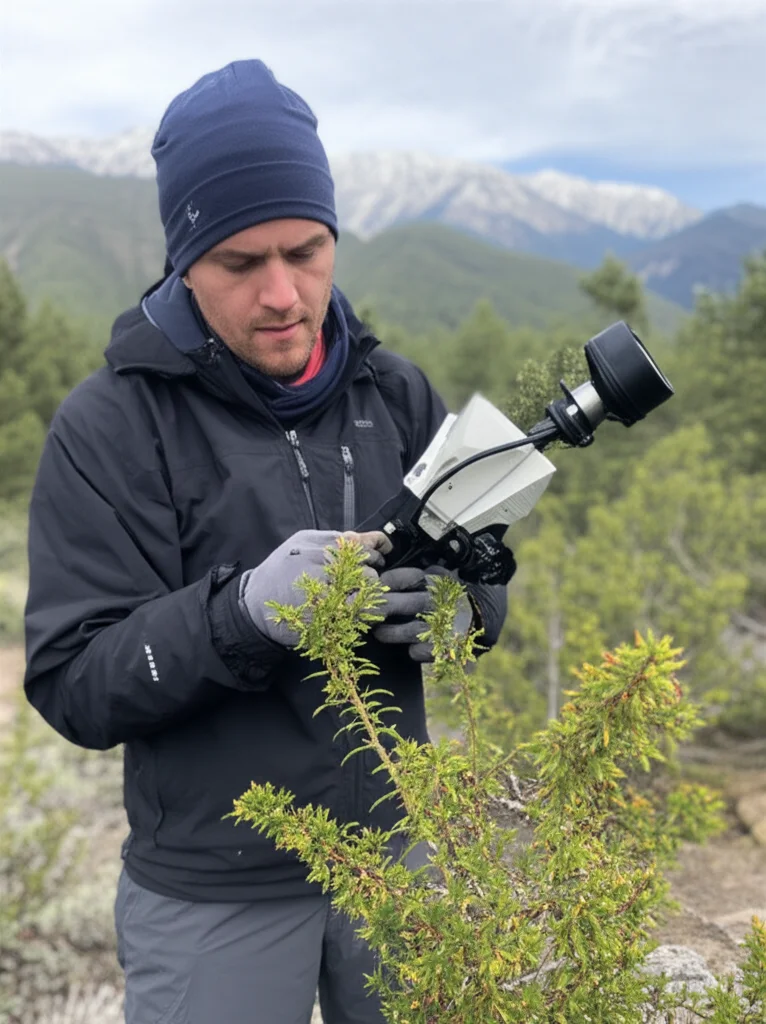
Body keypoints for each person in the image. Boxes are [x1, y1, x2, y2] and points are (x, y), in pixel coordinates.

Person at [23, 60, 508, 1024]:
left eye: (309, 251)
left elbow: (486, 563)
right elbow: (74, 681)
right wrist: (242, 616)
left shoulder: (395, 395)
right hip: (214, 887)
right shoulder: (112, 426)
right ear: (183, 259)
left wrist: (462, 614)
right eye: (242, 263)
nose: (285, 293)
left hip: (395, 854)